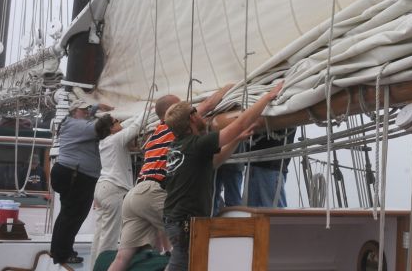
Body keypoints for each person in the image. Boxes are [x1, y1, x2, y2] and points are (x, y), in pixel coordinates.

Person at [107, 85, 233, 271]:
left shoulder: (154, 135)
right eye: (183, 105)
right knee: (189, 245)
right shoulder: (171, 128)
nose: (188, 105)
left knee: (122, 257)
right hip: (153, 191)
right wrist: (229, 88)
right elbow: (207, 104)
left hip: (135, 195)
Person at [162, 82, 282, 271]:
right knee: (182, 266)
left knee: (186, 264)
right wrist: (267, 97)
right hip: (185, 223)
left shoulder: (178, 147)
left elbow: (215, 161)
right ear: (192, 118)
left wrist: (236, 139)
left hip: (175, 220)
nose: (201, 116)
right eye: (197, 112)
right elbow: (240, 123)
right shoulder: (197, 144)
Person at [50, 96, 114, 265]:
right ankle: (62, 254)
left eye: (88, 110)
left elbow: (87, 113)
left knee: (67, 214)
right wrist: (113, 116)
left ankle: (58, 250)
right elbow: (99, 126)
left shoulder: (71, 121)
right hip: (77, 176)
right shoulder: (78, 125)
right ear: (73, 111)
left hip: (69, 172)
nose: (87, 112)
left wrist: (97, 106)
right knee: (73, 216)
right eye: (83, 110)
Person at [89, 109, 147, 264]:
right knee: (110, 238)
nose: (120, 123)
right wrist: (147, 110)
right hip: (114, 191)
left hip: (103, 189)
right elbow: (135, 127)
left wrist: (132, 117)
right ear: (110, 129)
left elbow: (126, 125)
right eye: (116, 122)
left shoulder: (105, 141)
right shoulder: (116, 139)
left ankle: (94, 266)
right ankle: (103, 267)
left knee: (100, 234)